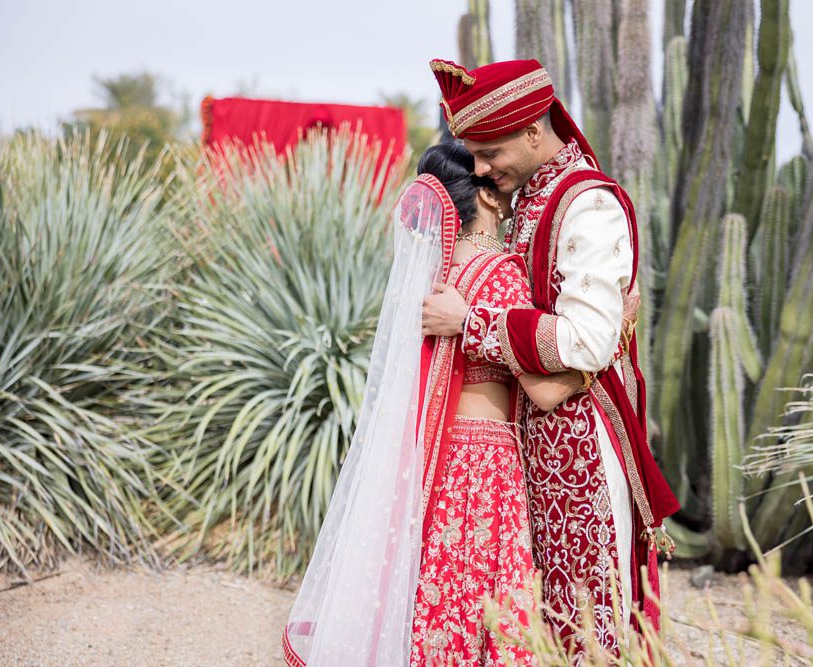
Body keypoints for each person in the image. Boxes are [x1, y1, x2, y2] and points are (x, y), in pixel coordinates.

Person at [422, 58, 681, 659]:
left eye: (489, 153)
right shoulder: (529, 202)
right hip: (532, 446)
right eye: (474, 156)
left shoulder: (588, 205)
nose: (481, 170)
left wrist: (472, 322)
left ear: (534, 132)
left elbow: (585, 340)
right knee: (538, 623)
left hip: (580, 450)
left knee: (588, 622)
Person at [282, 143, 578, 667]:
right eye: (498, 185)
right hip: (487, 465)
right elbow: (544, 391)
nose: (508, 193)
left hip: (435, 461)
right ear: (486, 197)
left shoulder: (432, 283)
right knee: (486, 604)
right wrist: (604, 345)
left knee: (440, 598)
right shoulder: (501, 274)